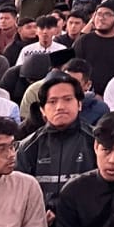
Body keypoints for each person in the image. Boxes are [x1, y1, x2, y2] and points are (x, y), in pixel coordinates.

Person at [17, 74, 97, 214]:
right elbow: (20, 192)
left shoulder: (96, 142)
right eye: (52, 102)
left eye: (67, 99)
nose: (60, 107)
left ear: (79, 104)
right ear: (42, 110)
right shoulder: (28, 147)